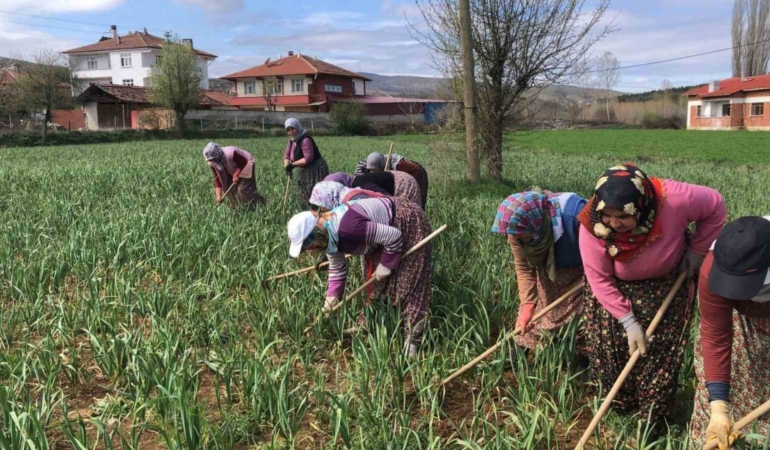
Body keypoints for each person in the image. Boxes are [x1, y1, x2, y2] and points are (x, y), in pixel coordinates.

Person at [578, 164, 726, 427]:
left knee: (660, 354)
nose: (613, 223)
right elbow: (598, 277)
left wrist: (698, 251)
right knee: (612, 352)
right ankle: (621, 412)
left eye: (622, 216)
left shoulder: (676, 199)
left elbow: (715, 205)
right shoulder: (591, 223)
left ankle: (653, 419)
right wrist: (628, 319)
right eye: (608, 216)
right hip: (614, 292)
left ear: (641, 206)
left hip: (668, 284)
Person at [287, 197, 432, 357]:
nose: (311, 250)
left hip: (406, 222)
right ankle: (370, 324)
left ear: (315, 233)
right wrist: (331, 299)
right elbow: (337, 269)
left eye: (308, 246)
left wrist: (386, 264)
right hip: (379, 235)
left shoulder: (348, 228)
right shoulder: (329, 237)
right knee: (374, 283)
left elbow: (393, 235)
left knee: (410, 281)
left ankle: (411, 340)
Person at [689, 216, 770, 450]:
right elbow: (715, 335)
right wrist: (718, 407)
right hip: (742, 321)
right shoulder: (715, 266)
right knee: (720, 392)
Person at [491, 190, 587, 350]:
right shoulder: (516, 230)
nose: (517, 239)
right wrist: (527, 305)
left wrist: (594, 280)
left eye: (523, 236)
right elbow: (523, 267)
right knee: (536, 317)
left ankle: (579, 360)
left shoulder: (575, 217)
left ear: (538, 225)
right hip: (548, 273)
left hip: (582, 273)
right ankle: (517, 354)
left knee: (582, 317)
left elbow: (600, 254)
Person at [356, 152, 429, 209]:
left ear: (382, 166)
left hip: (416, 173)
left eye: (375, 171)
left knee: (414, 203)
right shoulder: (363, 165)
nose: (372, 173)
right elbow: (359, 183)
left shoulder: (399, 164)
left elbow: (415, 169)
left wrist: (412, 185)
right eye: (370, 171)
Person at [203, 142, 265, 209]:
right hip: (232, 167)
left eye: (213, 159)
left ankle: (259, 205)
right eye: (210, 160)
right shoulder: (212, 163)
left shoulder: (230, 153)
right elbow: (217, 178)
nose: (212, 161)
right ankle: (237, 207)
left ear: (217, 155)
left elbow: (243, 162)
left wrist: (236, 174)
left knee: (243, 189)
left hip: (246, 164)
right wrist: (218, 196)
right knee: (229, 189)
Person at [283, 118, 329, 207]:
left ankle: (318, 211)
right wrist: (287, 167)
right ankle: (306, 209)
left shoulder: (305, 140)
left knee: (315, 192)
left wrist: (292, 164)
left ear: (297, 127)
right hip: (303, 169)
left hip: (315, 169)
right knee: (303, 192)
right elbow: (287, 155)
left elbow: (308, 158)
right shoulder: (292, 141)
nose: (291, 132)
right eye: (288, 130)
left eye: (292, 128)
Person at [325, 171, 422, 209]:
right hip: (395, 179)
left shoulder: (362, 185)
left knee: (407, 210)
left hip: (403, 183)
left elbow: (387, 198)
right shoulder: (355, 184)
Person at [309, 181, 384, 213]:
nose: (321, 210)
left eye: (321, 205)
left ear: (328, 199)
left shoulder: (352, 201)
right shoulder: (346, 194)